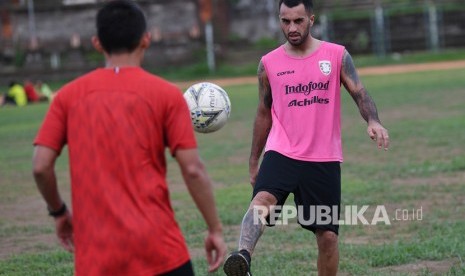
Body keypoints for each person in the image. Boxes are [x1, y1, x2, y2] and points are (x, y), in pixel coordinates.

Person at [32, 1, 226, 275]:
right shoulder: (166, 95)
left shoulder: (68, 96)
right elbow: (193, 169)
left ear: (97, 43)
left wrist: (59, 212)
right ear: (145, 39)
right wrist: (215, 229)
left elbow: (40, 166)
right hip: (161, 251)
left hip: (97, 260)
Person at [223, 0, 390, 275]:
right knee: (261, 202)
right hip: (281, 151)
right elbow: (264, 113)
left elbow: (359, 93)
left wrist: (373, 120)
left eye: (298, 21)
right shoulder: (268, 63)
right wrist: (254, 160)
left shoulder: (336, 55)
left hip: (322, 157)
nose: (291, 27)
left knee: (327, 238)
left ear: (311, 19)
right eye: (285, 21)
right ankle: (243, 257)